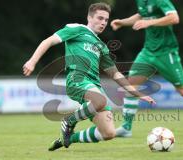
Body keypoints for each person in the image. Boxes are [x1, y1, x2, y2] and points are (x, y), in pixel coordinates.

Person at [23, 2, 155, 151]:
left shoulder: (101, 46)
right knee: (100, 100)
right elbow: (48, 41)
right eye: (100, 18)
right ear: (89, 17)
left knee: (109, 133)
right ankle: (69, 120)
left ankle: (67, 138)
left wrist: (137, 93)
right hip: (77, 80)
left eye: (106, 20)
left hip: (94, 87)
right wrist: (32, 61)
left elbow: (116, 74)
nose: (103, 22)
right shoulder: (76, 29)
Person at [111, 0, 183, 137]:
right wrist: (122, 22)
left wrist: (149, 23)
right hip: (148, 51)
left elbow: (174, 17)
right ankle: (126, 127)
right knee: (130, 86)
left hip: (166, 52)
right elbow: (143, 15)